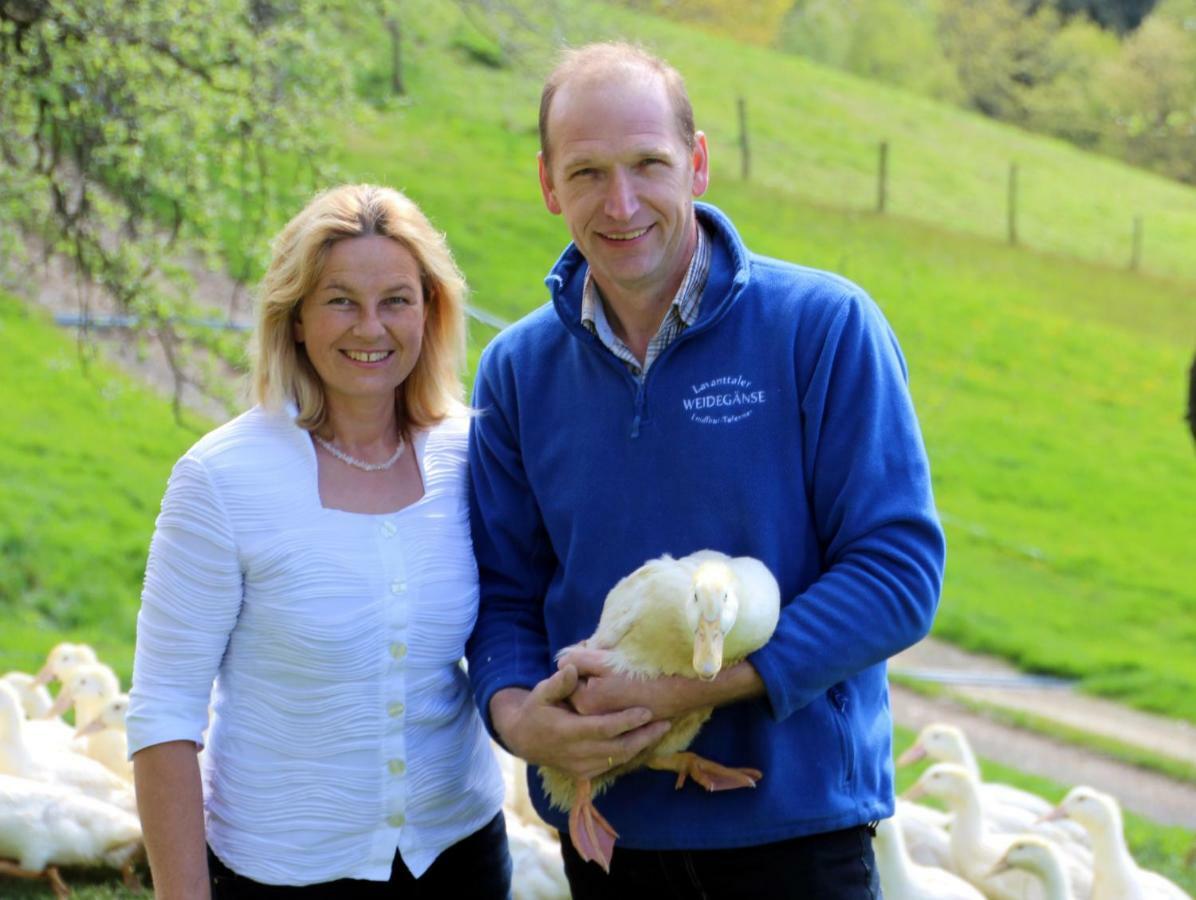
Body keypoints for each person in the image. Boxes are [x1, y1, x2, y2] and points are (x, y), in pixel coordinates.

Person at [465, 42, 946, 898]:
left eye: (649, 164)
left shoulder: (823, 328)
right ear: (546, 185)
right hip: (613, 835)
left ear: (697, 162)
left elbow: (898, 574)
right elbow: (503, 595)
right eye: (586, 173)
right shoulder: (516, 371)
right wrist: (519, 720)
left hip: (797, 831)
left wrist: (695, 688)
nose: (621, 204)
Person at [127, 184, 510, 898]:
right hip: (279, 873)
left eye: (396, 299)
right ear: (296, 318)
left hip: (460, 857)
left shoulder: (475, 452)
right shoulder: (221, 479)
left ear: (431, 312)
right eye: (340, 300)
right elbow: (164, 714)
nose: (370, 327)